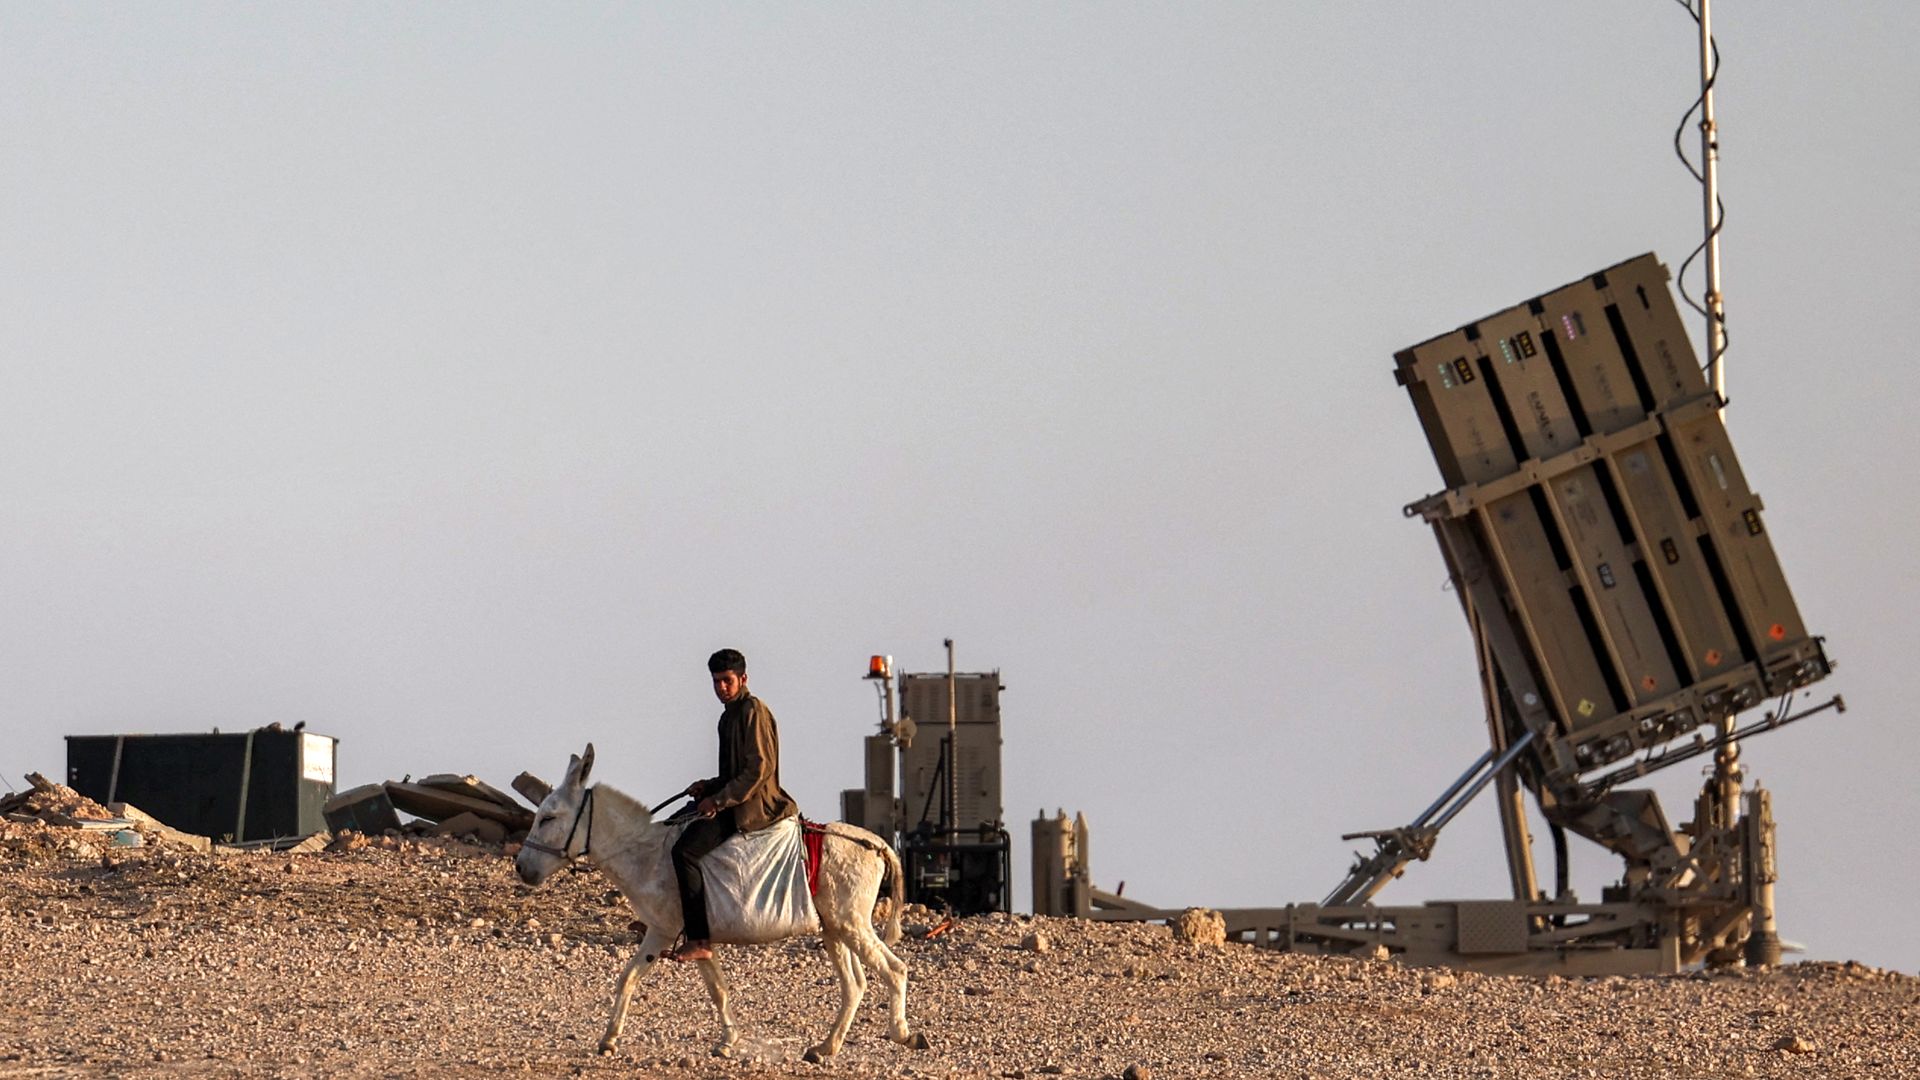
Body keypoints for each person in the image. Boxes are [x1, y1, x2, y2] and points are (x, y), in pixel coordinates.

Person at [666, 648, 799, 962]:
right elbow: (731, 773)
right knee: (671, 825)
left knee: (684, 851)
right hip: (733, 799)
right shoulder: (728, 716)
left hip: (752, 807)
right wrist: (707, 787)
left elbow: (758, 769)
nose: (721, 688)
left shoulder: (754, 711)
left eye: (727, 681)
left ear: (743, 679)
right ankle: (665, 921)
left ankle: (699, 938)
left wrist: (719, 800)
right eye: (716, 682)